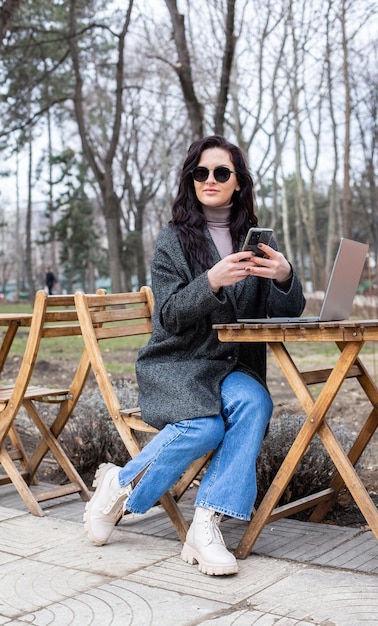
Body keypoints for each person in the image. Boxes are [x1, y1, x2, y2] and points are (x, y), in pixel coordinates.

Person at [84, 135, 306, 576]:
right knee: (204, 428)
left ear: (238, 182)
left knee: (255, 400)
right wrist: (212, 282)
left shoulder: (255, 240)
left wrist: (284, 275)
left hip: (229, 368)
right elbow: (168, 315)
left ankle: (205, 526)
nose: (210, 180)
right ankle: (120, 484)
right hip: (179, 363)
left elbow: (286, 311)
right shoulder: (174, 240)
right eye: (200, 172)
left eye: (221, 172)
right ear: (191, 179)